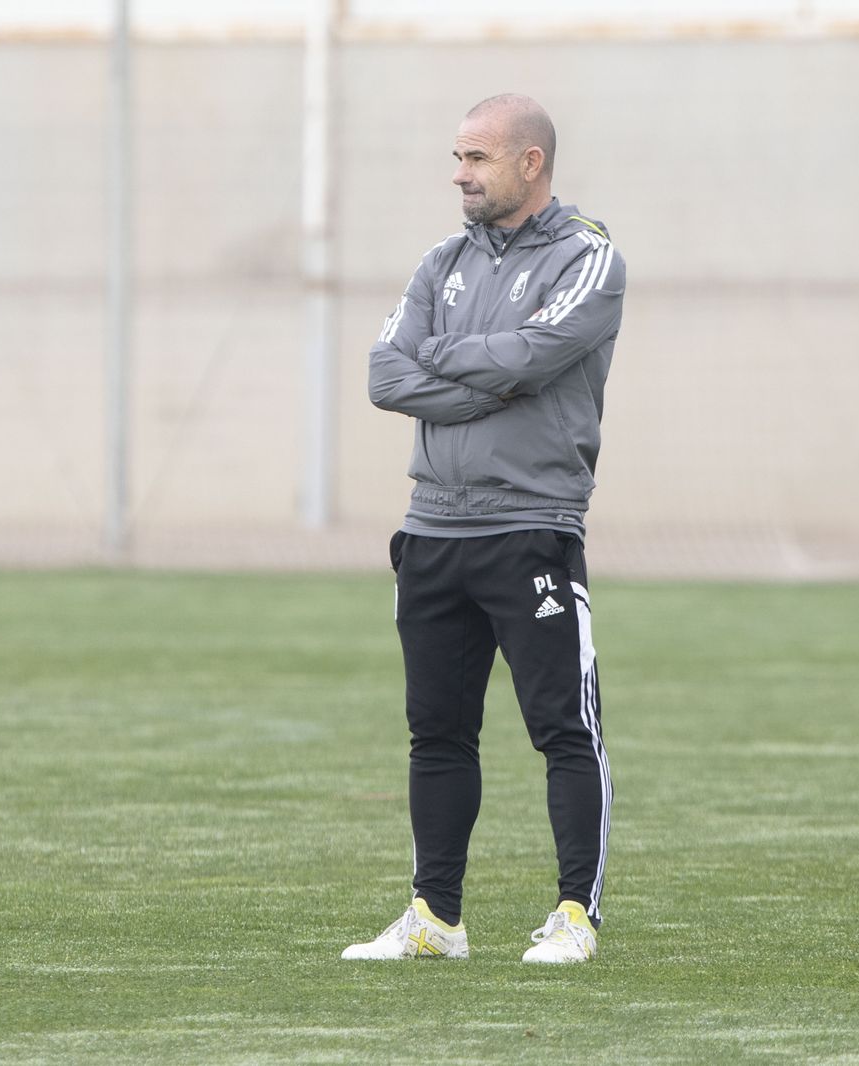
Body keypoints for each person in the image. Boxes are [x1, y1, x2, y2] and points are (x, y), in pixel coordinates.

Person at [342, 94, 626, 964]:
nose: (460, 175)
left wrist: (465, 361)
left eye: (477, 159)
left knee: (563, 733)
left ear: (530, 163)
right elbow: (385, 374)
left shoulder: (590, 259)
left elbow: (538, 356)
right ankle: (436, 918)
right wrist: (489, 376)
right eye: (457, 158)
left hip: (530, 528)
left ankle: (576, 916)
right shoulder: (441, 261)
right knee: (436, 732)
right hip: (431, 532)